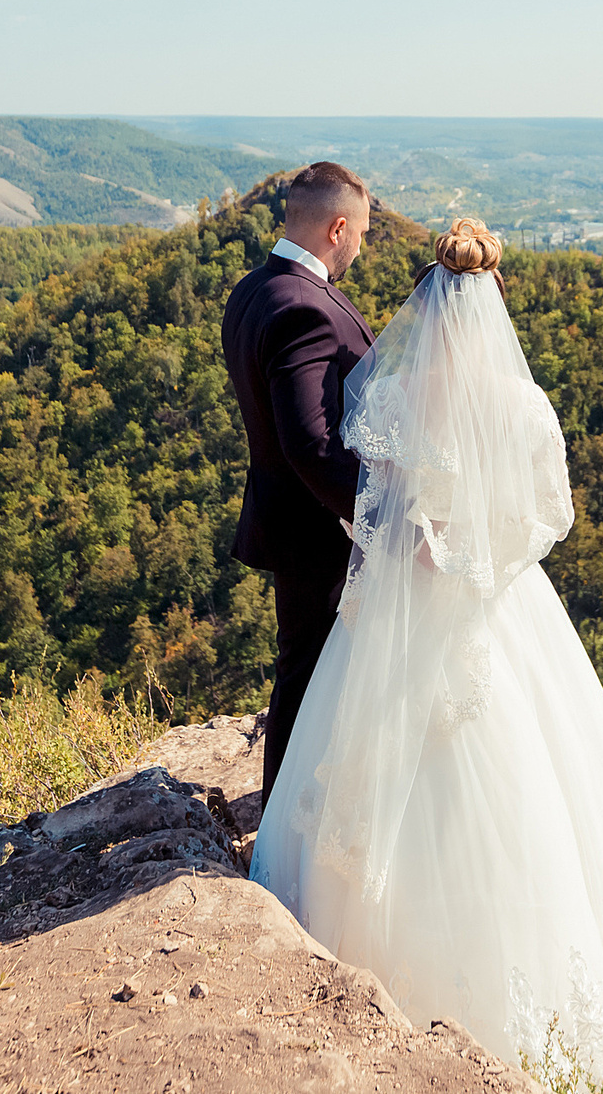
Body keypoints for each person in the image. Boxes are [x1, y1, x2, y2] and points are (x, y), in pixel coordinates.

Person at [251, 217, 603, 1091]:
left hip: (398, 612)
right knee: (531, 792)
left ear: (429, 297)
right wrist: (479, 559)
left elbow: (364, 508)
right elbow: (548, 518)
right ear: (493, 300)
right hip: (496, 602)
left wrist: (420, 547)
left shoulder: (391, 392)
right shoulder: (522, 405)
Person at [222, 160, 375, 802]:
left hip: (289, 519)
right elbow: (310, 442)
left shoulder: (253, 290)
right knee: (310, 675)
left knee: (306, 671)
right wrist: (377, 512)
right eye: (361, 234)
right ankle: (284, 822)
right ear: (338, 228)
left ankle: (291, 814)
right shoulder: (301, 307)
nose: (362, 247)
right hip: (319, 531)